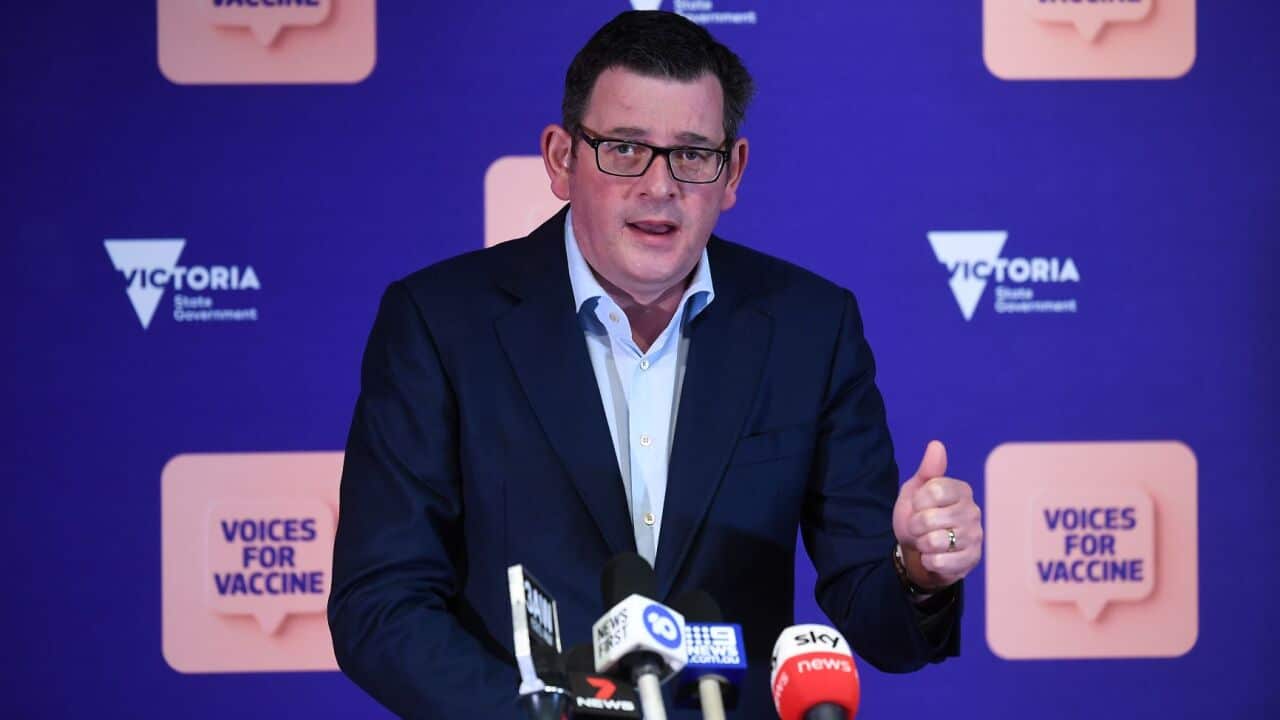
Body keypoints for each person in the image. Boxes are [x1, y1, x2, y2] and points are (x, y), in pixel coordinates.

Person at [328, 10, 983, 719]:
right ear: (560, 159)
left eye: (692, 155)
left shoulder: (810, 328)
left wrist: (920, 571)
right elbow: (380, 605)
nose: (660, 185)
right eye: (625, 149)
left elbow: (880, 622)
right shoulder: (440, 323)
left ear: (732, 173)